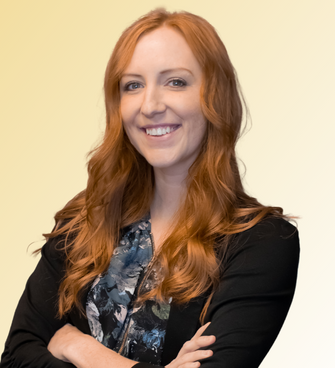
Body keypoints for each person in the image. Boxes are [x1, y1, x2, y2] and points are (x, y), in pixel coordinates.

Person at [0, 8, 300, 368]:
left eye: (176, 82)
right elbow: (17, 356)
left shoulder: (262, 243)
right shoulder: (84, 221)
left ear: (215, 96)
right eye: (133, 85)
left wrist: (80, 348)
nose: (150, 105)